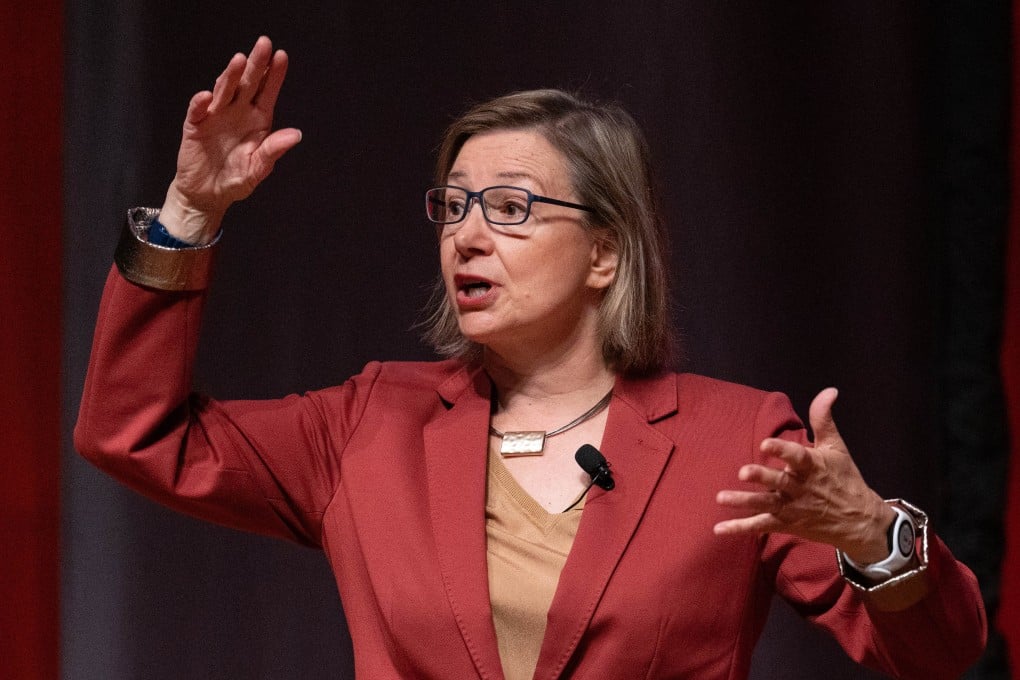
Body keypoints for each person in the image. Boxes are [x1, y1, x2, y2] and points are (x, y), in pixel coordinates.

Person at [75, 36, 987, 679]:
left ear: (605, 253)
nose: (467, 236)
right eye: (453, 207)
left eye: (510, 208)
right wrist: (190, 213)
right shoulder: (367, 424)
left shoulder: (735, 440)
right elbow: (132, 432)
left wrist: (871, 534)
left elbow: (939, 654)